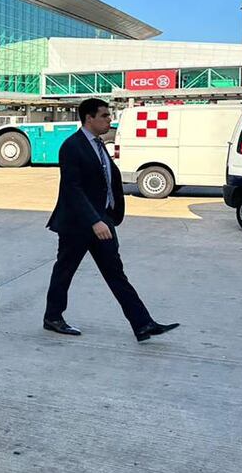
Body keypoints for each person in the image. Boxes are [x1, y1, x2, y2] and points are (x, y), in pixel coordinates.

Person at [43, 98, 180, 342]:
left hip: (103, 221)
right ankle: (53, 317)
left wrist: (108, 215)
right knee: (65, 270)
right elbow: (72, 189)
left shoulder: (99, 145)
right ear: (89, 118)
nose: (109, 119)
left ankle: (143, 324)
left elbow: (106, 180)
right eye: (105, 115)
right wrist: (94, 220)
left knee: (116, 273)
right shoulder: (72, 147)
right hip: (79, 224)